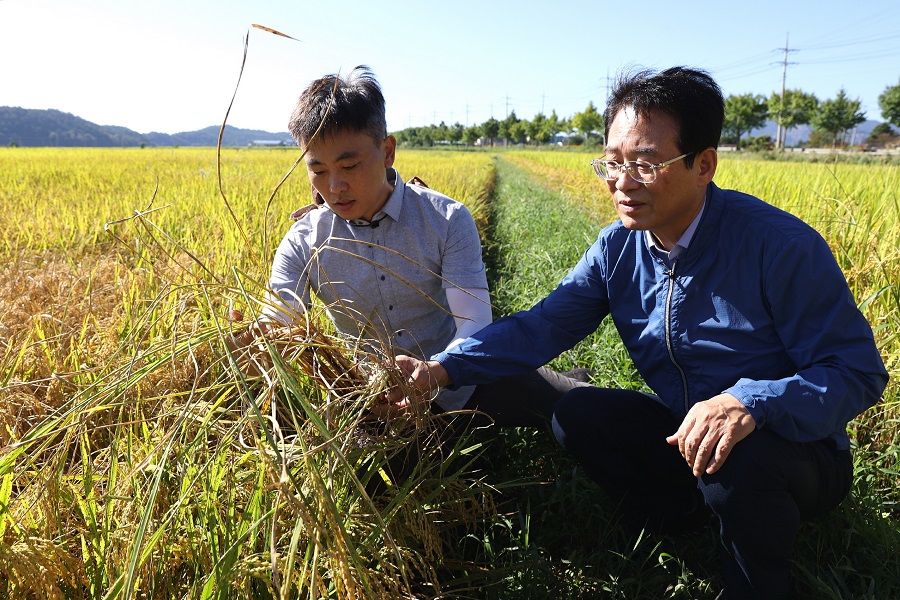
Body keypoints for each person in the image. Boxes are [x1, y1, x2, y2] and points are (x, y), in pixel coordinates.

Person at [391, 67, 888, 599]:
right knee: (577, 415)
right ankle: (687, 517)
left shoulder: (779, 247)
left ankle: (756, 582)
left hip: (795, 451)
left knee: (735, 454)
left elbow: (856, 373)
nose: (622, 183)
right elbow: (543, 325)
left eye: (646, 164)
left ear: (704, 165)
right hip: (688, 430)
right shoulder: (617, 249)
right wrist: (443, 368)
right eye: (612, 162)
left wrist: (750, 403)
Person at [235, 66, 587, 443]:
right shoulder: (304, 240)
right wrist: (259, 343)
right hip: (374, 402)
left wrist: (437, 371)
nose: (335, 187)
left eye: (349, 165)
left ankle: (570, 380)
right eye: (317, 171)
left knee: (579, 409)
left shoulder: (446, 218)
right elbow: (282, 318)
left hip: (464, 380)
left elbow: (474, 320)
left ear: (387, 151)